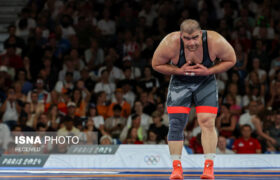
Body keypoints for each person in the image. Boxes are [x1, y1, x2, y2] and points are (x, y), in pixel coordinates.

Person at [152, 19, 236, 179]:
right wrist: (177, 70)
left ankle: (209, 167)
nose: (191, 43)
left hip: (205, 81)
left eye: (195, 38)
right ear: (180, 36)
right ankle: (176, 168)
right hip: (179, 82)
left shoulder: (214, 40)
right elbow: (156, 64)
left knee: (207, 121)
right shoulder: (170, 42)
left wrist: (209, 70)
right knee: (176, 123)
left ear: (201, 34)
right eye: (187, 39)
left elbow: (231, 60)